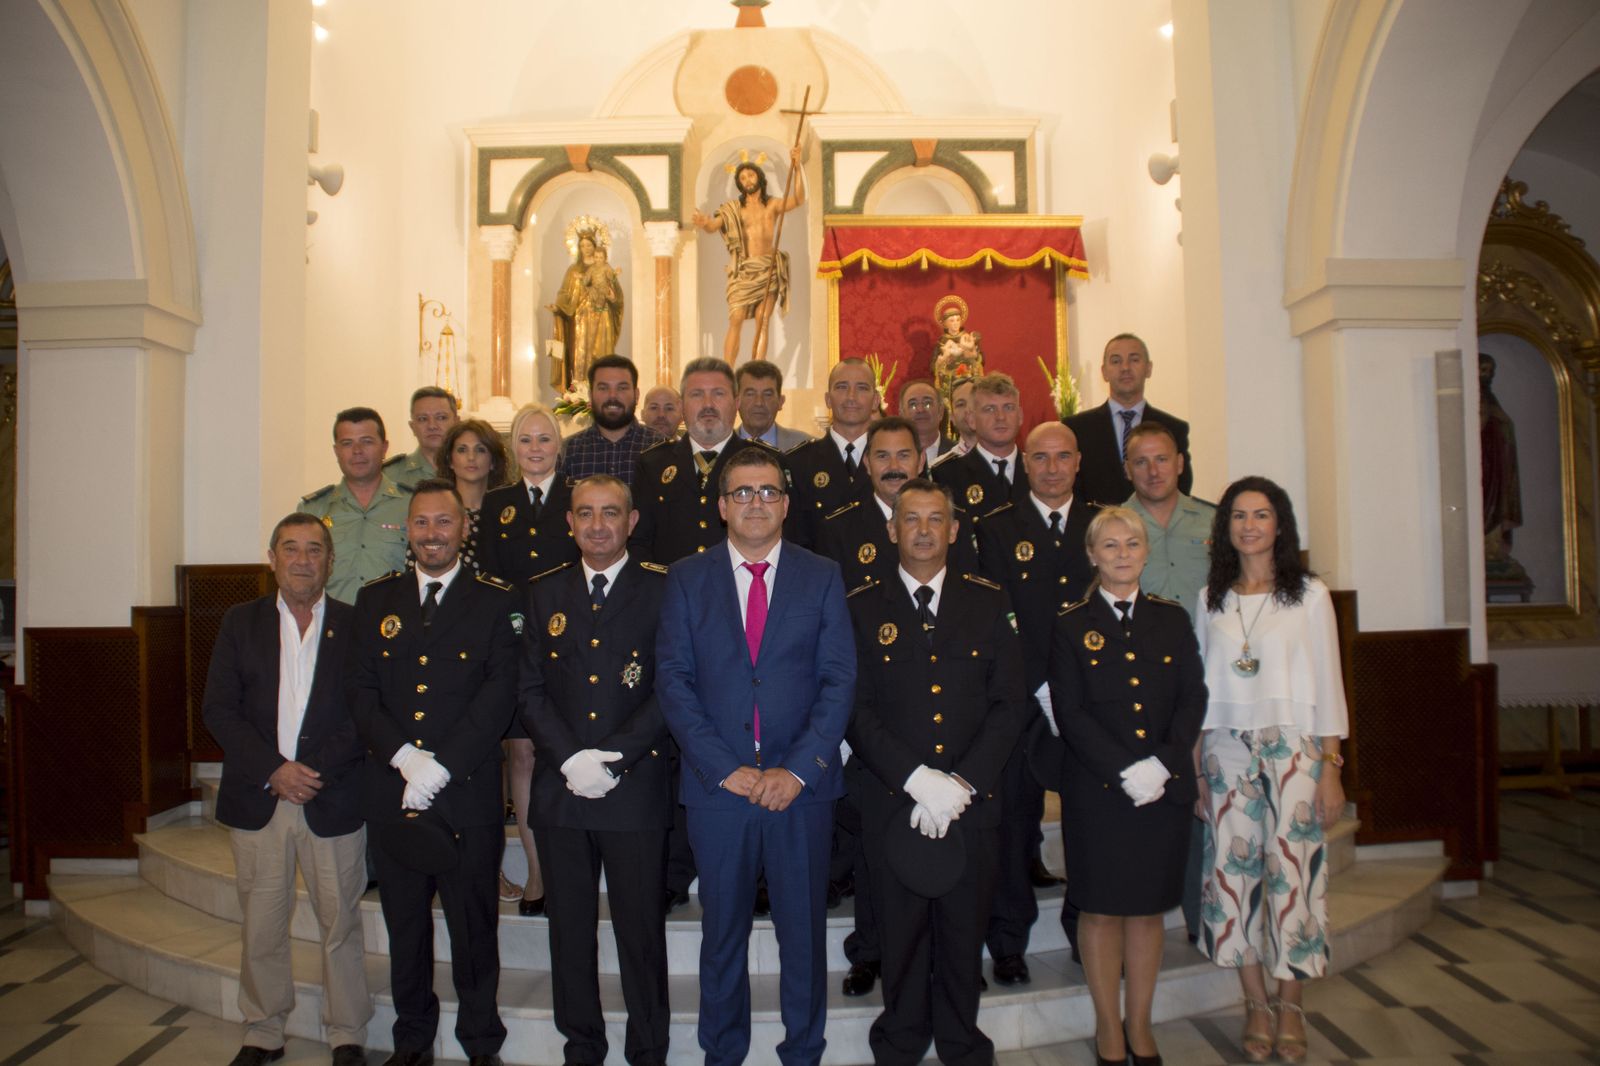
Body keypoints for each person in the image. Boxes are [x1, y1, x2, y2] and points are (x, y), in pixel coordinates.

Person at [656, 447, 855, 1066]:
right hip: (719, 792)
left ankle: (804, 1052)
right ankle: (723, 1053)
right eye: (742, 492)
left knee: (803, 935)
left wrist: (797, 770)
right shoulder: (687, 577)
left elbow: (839, 680)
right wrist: (724, 768)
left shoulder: (822, 575)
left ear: (786, 504)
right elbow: (674, 681)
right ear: (721, 506)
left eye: (768, 491)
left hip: (801, 791)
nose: (756, 503)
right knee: (721, 935)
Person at [846, 478, 1026, 1066]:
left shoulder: (988, 600)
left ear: (953, 530)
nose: (923, 531)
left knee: (962, 932)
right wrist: (916, 780)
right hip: (894, 801)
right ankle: (900, 1041)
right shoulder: (861, 605)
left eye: (934, 520)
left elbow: (1010, 704)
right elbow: (855, 708)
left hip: (971, 804)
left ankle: (960, 1042)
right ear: (891, 529)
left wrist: (962, 783)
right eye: (911, 519)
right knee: (899, 933)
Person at [346, 479, 520, 1066]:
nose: (431, 534)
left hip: (465, 793)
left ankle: (481, 1041)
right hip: (393, 792)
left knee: (474, 926)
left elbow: (500, 692)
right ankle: (412, 1039)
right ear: (407, 529)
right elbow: (360, 690)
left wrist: (441, 766)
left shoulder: (496, 600)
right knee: (405, 927)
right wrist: (405, 758)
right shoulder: (376, 600)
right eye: (420, 522)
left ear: (463, 528)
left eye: (443, 522)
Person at [202, 513, 370, 1066]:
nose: (303, 560)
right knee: (262, 924)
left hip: (332, 794)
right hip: (261, 796)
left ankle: (346, 1032)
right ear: (272, 558)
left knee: (340, 923)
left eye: (314, 549)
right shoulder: (240, 622)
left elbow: (366, 711)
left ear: (330, 561)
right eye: (291, 549)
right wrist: (275, 769)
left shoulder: (355, 624)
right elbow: (218, 709)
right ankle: (263, 1031)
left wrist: (310, 771)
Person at [518, 475, 673, 1066]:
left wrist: (615, 757)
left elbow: (673, 686)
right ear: (570, 523)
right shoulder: (543, 592)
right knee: (569, 931)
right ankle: (582, 1046)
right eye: (585, 513)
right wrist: (570, 758)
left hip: (634, 787)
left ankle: (648, 1049)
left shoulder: (664, 589)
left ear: (631, 522)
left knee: (641, 931)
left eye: (611, 513)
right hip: (562, 791)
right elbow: (529, 689)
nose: (598, 524)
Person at [1194, 477, 1348, 1065]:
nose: (1249, 526)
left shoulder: (1308, 595)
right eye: (1238, 516)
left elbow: (1329, 680)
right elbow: (1199, 689)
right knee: (1232, 879)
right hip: (1225, 747)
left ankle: (1291, 1005)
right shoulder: (1211, 598)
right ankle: (1255, 1002)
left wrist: (1331, 767)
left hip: (1293, 747)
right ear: (1225, 527)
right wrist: (1198, 771)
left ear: (1279, 524)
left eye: (1261, 515)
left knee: (1294, 874)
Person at [1048, 505, 1206, 1066]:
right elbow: (1070, 712)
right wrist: (1124, 771)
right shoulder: (1071, 623)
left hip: (1162, 791)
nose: (1122, 554)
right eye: (1110, 545)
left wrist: (1162, 765)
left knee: (1147, 910)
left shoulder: (1172, 619)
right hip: (1099, 794)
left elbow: (1192, 698)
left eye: (1132, 544)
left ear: (1145, 552)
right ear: (1092, 555)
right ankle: (1106, 1026)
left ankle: (1139, 1024)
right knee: (1100, 910)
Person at [973, 421, 1097, 984]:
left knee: (1089, 821)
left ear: (1078, 462)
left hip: (1091, 701)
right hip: (1022, 702)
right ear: (1025, 464)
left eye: (1062, 456)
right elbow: (994, 615)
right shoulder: (997, 527)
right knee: (1013, 823)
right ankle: (1007, 942)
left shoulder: (1103, 524)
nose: (1051, 468)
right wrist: (1034, 682)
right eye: (1040, 458)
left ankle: (1086, 930)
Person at [480, 406, 577, 918]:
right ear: (513, 449)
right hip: (517, 646)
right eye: (525, 439)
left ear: (559, 445)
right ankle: (537, 871)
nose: (535, 448)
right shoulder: (497, 504)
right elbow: (488, 579)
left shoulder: (578, 496)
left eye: (544, 438)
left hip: (574, 645)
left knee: (565, 753)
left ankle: (570, 867)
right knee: (521, 756)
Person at [1123, 421, 1217, 944]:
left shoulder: (1214, 521)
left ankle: (1203, 918)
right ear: (1127, 469)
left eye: (1162, 459)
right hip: (1143, 690)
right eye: (1141, 461)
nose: (1153, 471)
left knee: (1202, 797)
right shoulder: (1114, 524)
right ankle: (1147, 914)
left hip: (1207, 682)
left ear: (1180, 463)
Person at [632, 356, 782, 566]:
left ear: (736, 403)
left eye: (718, 394)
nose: (708, 404)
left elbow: (786, 541)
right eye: (697, 394)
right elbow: (639, 544)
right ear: (682, 405)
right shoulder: (652, 464)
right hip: (669, 584)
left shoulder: (768, 462)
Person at [691, 146, 805, 363]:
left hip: (767, 267)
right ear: (739, 183)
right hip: (743, 270)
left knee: (763, 319)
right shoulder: (733, 209)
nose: (747, 180)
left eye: (751, 175)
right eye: (742, 178)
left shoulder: (772, 205)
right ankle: (727, 370)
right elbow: (714, 225)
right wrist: (705, 223)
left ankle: (756, 370)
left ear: (759, 177)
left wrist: (797, 167)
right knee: (736, 317)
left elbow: (798, 198)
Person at [1064, 334, 1193, 508]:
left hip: (1155, 523)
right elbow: (1070, 486)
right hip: (1095, 522)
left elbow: (1181, 486)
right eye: (1116, 361)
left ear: (1148, 369)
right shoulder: (1077, 428)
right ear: (1104, 372)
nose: (1125, 368)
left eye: (1134, 360)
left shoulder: (1173, 428)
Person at [300, 406, 412, 604]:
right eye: (347, 443)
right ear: (336, 451)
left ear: (384, 447)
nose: (357, 451)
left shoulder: (412, 504)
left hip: (393, 620)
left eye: (367, 442)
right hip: (333, 620)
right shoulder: (313, 510)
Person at [784, 358, 880, 547]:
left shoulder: (893, 460)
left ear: (876, 400)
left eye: (862, 388)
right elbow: (793, 537)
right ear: (828, 399)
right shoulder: (798, 462)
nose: (851, 396)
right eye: (842, 387)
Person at [932, 372, 1030, 516]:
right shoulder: (947, 475)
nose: (1000, 417)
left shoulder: (1038, 470)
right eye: (989, 409)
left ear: (1020, 416)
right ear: (971, 419)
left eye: (1008, 407)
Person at [559, 354, 664, 485]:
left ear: (636, 395)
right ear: (590, 395)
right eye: (603, 388)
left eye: (622, 388)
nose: (612, 396)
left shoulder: (660, 446)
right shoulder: (568, 450)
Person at [436, 417, 510, 577]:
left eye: (480, 450)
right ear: (450, 460)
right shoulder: (435, 513)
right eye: (462, 450)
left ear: (493, 461)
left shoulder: (508, 514)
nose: (471, 457)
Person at [550, 229, 623, 388]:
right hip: (580, 317)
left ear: (595, 247)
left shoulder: (606, 268)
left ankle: (602, 386)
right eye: (582, 245)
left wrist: (612, 297)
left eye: (589, 245)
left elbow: (616, 293)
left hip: (602, 315)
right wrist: (559, 307)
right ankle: (579, 389)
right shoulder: (573, 270)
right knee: (580, 351)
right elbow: (565, 293)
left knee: (600, 351)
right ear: (578, 248)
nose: (586, 249)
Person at [385, 386, 461, 491]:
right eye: (423, 419)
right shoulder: (389, 475)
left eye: (441, 417)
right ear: (412, 427)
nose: (432, 426)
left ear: (456, 423)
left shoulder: (472, 470)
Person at [736, 358, 812, 450]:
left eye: (767, 394)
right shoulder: (721, 448)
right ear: (736, 401)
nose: (759, 402)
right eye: (750, 394)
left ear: (780, 401)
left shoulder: (808, 447)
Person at [929, 295, 985, 397]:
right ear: (945, 323)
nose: (955, 323)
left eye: (958, 320)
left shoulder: (968, 338)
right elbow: (934, 366)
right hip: (949, 380)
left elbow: (980, 359)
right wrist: (943, 363)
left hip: (968, 377)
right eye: (951, 320)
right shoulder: (942, 342)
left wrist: (973, 356)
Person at [897, 379, 953, 472]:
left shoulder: (956, 454)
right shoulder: (892, 457)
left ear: (940, 412)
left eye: (927, 404)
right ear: (901, 414)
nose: (920, 410)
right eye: (913, 405)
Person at [946, 378, 978, 456]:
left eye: (975, 402)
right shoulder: (944, 463)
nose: (968, 409)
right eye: (961, 404)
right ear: (952, 417)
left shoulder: (1005, 457)